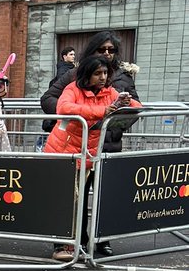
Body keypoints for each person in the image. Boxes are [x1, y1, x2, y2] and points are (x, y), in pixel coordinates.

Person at [43, 54, 140, 260]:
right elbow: (64, 108)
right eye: (98, 73)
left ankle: (80, 242)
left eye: (105, 73)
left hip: (87, 155)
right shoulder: (72, 89)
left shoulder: (109, 92)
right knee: (67, 202)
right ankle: (62, 246)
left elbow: (137, 107)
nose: (103, 77)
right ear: (87, 75)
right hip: (63, 154)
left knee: (81, 200)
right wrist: (103, 110)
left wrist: (124, 101)